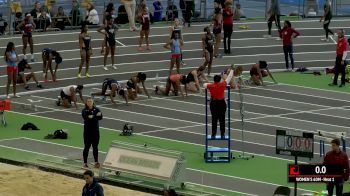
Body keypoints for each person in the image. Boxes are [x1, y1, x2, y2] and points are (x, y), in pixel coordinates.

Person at [203, 69, 233, 138]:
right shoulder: (222, 84)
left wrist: (209, 84)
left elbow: (204, 85)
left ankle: (213, 134)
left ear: (214, 80)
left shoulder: (211, 86)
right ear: (220, 80)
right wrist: (232, 70)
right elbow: (229, 77)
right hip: (221, 103)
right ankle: (222, 134)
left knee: (214, 119)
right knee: (222, 119)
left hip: (214, 103)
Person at [81, 98, 103, 169]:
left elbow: (100, 117)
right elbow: (87, 118)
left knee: (95, 147)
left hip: (95, 132)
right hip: (87, 132)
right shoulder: (84, 110)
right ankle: (85, 163)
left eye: (91, 101)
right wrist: (95, 116)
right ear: (86, 103)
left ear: (93, 102)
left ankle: (96, 162)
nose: (89, 102)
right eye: (88, 101)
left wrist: (93, 116)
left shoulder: (97, 109)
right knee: (86, 147)